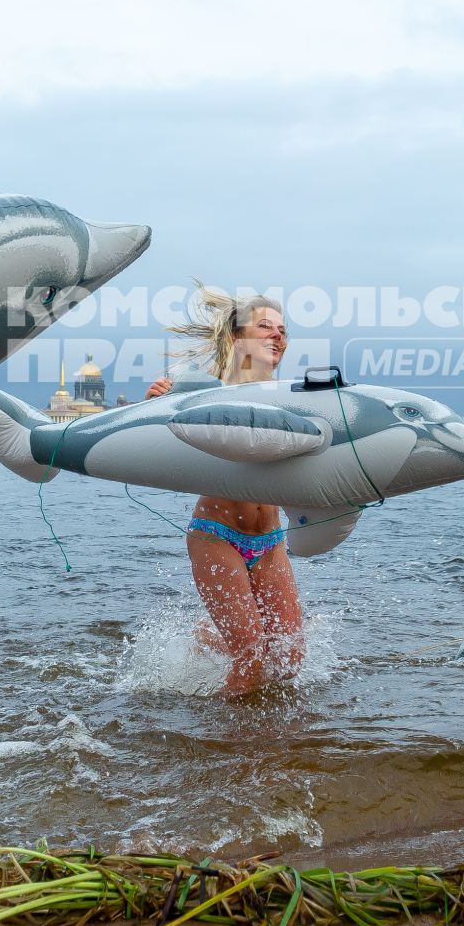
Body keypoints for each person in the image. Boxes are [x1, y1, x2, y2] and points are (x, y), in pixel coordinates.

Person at [145, 289, 305, 695]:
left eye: (283, 330)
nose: (278, 336)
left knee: (289, 659)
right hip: (217, 536)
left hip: (270, 540)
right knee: (251, 658)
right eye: (265, 327)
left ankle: (209, 636)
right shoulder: (205, 394)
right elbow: (150, 443)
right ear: (236, 337)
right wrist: (154, 405)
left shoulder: (293, 399)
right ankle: (223, 746)